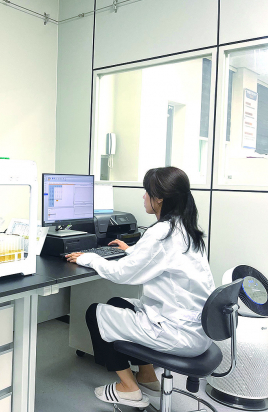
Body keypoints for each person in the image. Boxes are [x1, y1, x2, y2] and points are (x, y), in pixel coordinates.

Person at [65, 167, 215, 409]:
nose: (143, 196)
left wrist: (89, 258)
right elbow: (158, 259)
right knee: (116, 303)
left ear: (160, 198)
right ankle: (147, 376)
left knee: (94, 313)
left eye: (147, 192)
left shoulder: (161, 233)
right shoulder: (184, 228)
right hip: (196, 328)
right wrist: (131, 250)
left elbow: (122, 273)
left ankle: (129, 389)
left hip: (177, 333)